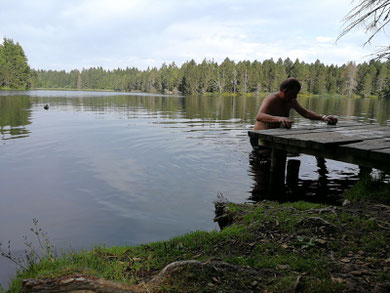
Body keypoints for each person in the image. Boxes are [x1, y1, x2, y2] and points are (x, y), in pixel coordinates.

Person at [254, 78, 338, 130]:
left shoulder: (291, 100)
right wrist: (280, 119)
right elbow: (259, 116)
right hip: (259, 137)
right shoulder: (271, 99)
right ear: (285, 91)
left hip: (275, 135)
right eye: (293, 93)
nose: (295, 96)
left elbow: (305, 113)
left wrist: (323, 117)